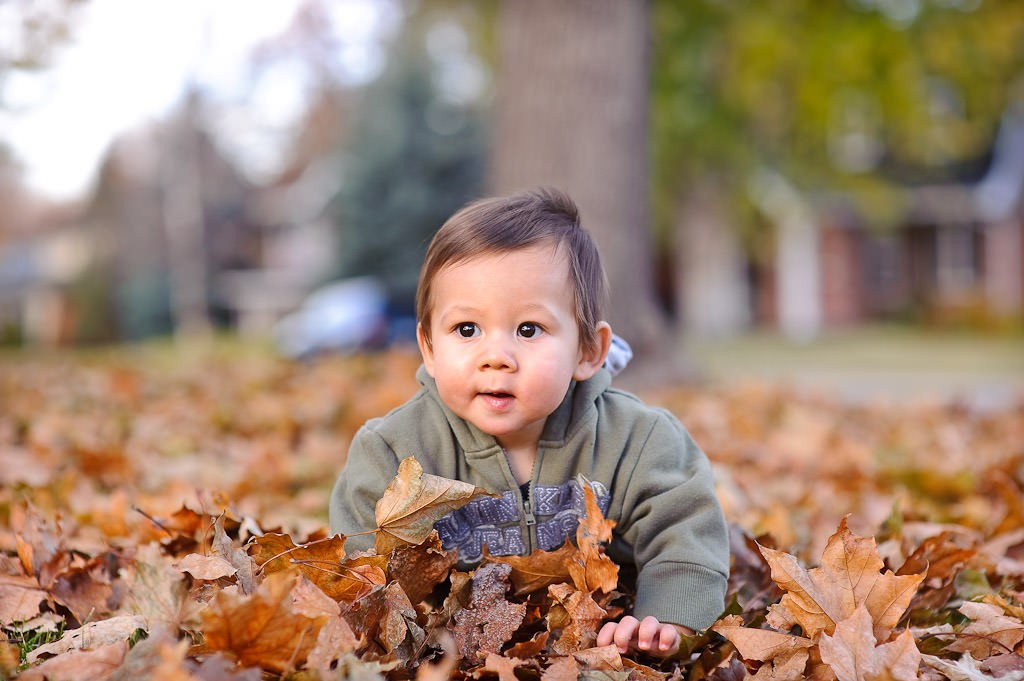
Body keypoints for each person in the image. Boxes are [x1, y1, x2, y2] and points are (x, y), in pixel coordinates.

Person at [329, 187, 729, 656]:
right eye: (466, 330)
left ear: (588, 351)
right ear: (429, 348)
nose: (496, 357)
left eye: (528, 330)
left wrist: (666, 620)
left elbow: (684, 533)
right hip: (451, 647)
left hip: (597, 636)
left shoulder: (638, 440)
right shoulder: (393, 451)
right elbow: (360, 565)